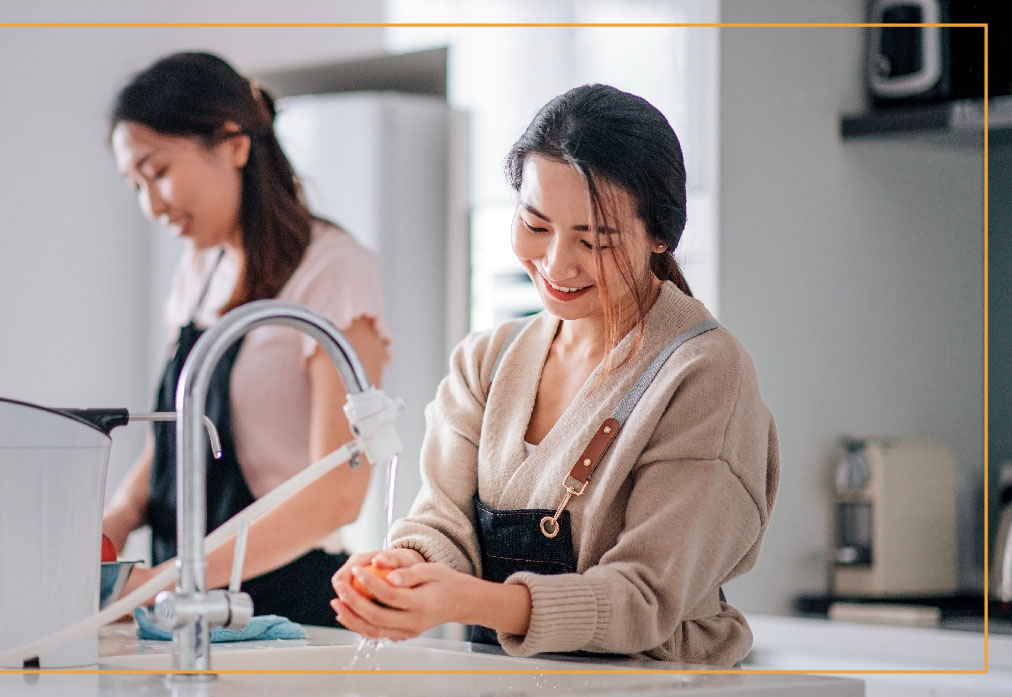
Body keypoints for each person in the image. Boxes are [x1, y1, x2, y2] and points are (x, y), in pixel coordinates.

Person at [330, 84, 779, 666]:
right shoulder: (487, 362)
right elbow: (444, 521)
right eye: (536, 226)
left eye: (595, 240)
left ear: (661, 238)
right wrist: (404, 569)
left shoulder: (703, 374)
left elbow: (645, 598)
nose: (556, 264)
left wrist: (474, 601)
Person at [101, 52, 391, 627]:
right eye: (135, 185)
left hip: (280, 605)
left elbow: (339, 491)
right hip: (181, 601)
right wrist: (113, 523)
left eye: (158, 172)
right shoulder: (199, 269)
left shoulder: (332, 271)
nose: (151, 205)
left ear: (233, 144)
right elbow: (179, 432)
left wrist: (164, 581)